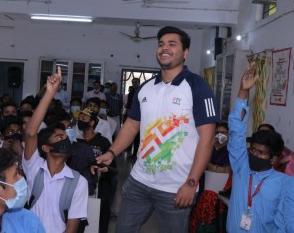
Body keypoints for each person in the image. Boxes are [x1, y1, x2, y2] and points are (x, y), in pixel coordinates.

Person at [97, 26, 219, 232]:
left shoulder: (197, 87)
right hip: (139, 181)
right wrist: (112, 152)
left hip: (176, 187)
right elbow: (131, 125)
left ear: (185, 53)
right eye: (161, 44)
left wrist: (191, 183)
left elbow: (207, 139)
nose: (165, 48)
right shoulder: (146, 88)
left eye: (172, 44)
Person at [23, 66, 88, 233]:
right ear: (45, 147)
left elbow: (71, 229)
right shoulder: (34, 167)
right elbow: (31, 132)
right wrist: (50, 92)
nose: (64, 141)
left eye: (66, 138)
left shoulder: (78, 182)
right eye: (59, 138)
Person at [226, 62, 287, 232]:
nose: (254, 155)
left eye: (261, 153)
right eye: (252, 150)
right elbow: (236, 129)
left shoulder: (283, 184)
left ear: (274, 159)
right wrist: (243, 91)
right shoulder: (241, 167)